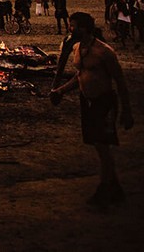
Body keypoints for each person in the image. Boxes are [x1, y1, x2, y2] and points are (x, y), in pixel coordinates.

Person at [50, 12, 134, 206]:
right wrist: (61, 91)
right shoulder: (77, 48)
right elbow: (80, 75)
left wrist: (127, 111)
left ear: (85, 28)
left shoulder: (104, 52)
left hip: (103, 102)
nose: (70, 29)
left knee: (102, 145)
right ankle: (115, 188)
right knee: (98, 145)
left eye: (73, 26)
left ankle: (105, 188)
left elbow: (120, 81)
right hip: (87, 101)